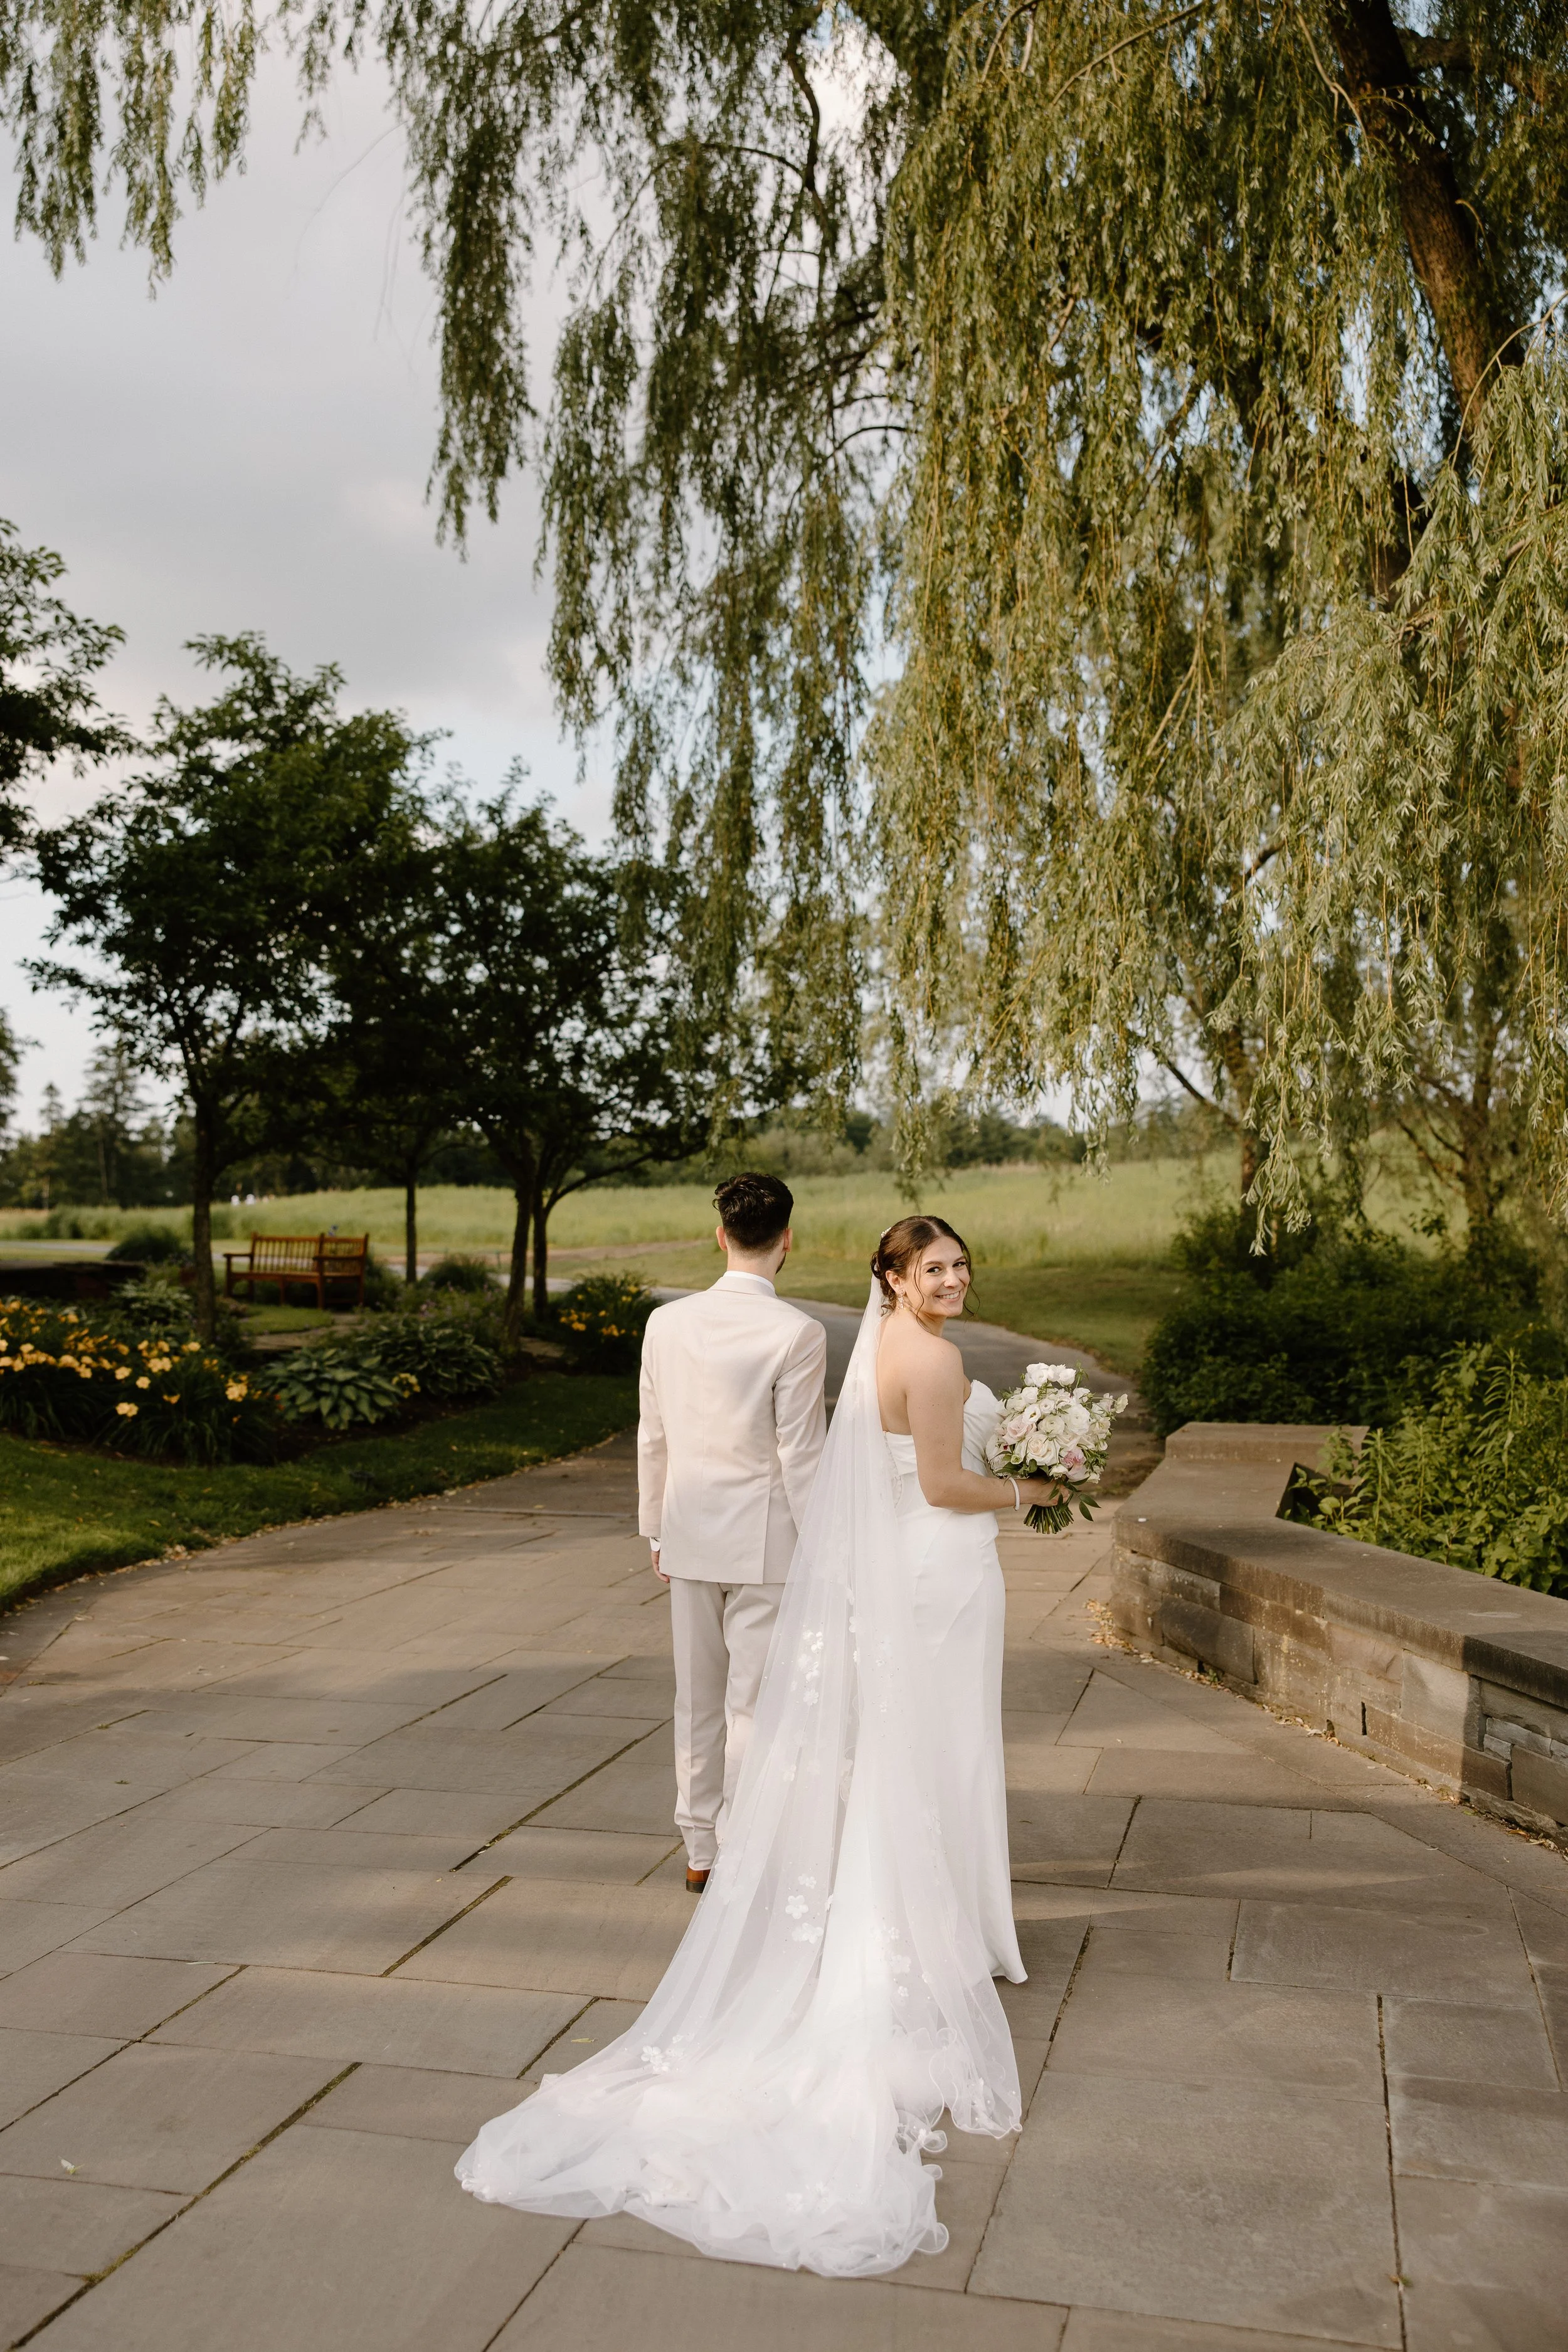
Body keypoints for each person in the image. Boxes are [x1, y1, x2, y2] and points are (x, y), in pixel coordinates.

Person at [456, 1214, 1065, 2277]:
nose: (955, 1279)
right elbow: (938, 1484)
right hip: (942, 1567)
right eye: (935, 1267)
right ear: (892, 1276)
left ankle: (911, 1908)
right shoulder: (933, 1355)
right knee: (938, 1753)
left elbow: (801, 1459)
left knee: (895, 1751)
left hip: (856, 1567)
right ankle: (939, 1934)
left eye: (963, 1263)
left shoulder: (873, 1348)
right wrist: (1033, 1488)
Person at [637, 1172, 828, 1890]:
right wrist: (823, 1546)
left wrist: (654, 1528)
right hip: (767, 1543)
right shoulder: (797, 1334)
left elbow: (652, 1435)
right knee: (750, 1703)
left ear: (721, 1237)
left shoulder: (667, 1323)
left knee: (696, 1698)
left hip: (686, 1533)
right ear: (786, 1242)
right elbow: (800, 1453)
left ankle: (698, 1851)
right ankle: (742, 1844)